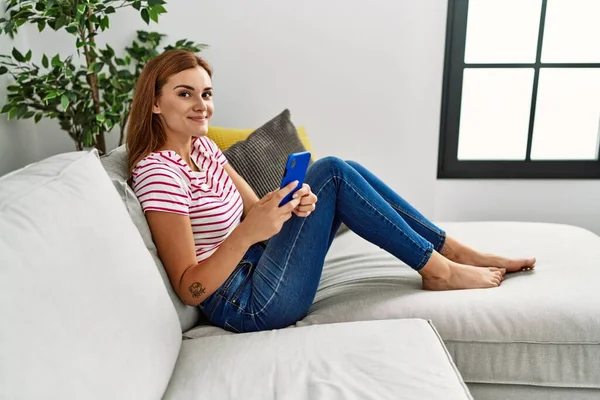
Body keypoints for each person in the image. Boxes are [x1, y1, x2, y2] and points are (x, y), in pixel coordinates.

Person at [126, 50, 536, 334]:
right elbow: (188, 287)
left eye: (207, 93)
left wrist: (292, 207)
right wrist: (250, 231)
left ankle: (452, 252)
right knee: (334, 172)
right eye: (185, 94)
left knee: (340, 172)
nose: (202, 105)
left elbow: (258, 214)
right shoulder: (158, 173)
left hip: (260, 262)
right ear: (156, 104)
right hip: (246, 302)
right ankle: (441, 270)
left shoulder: (205, 148)